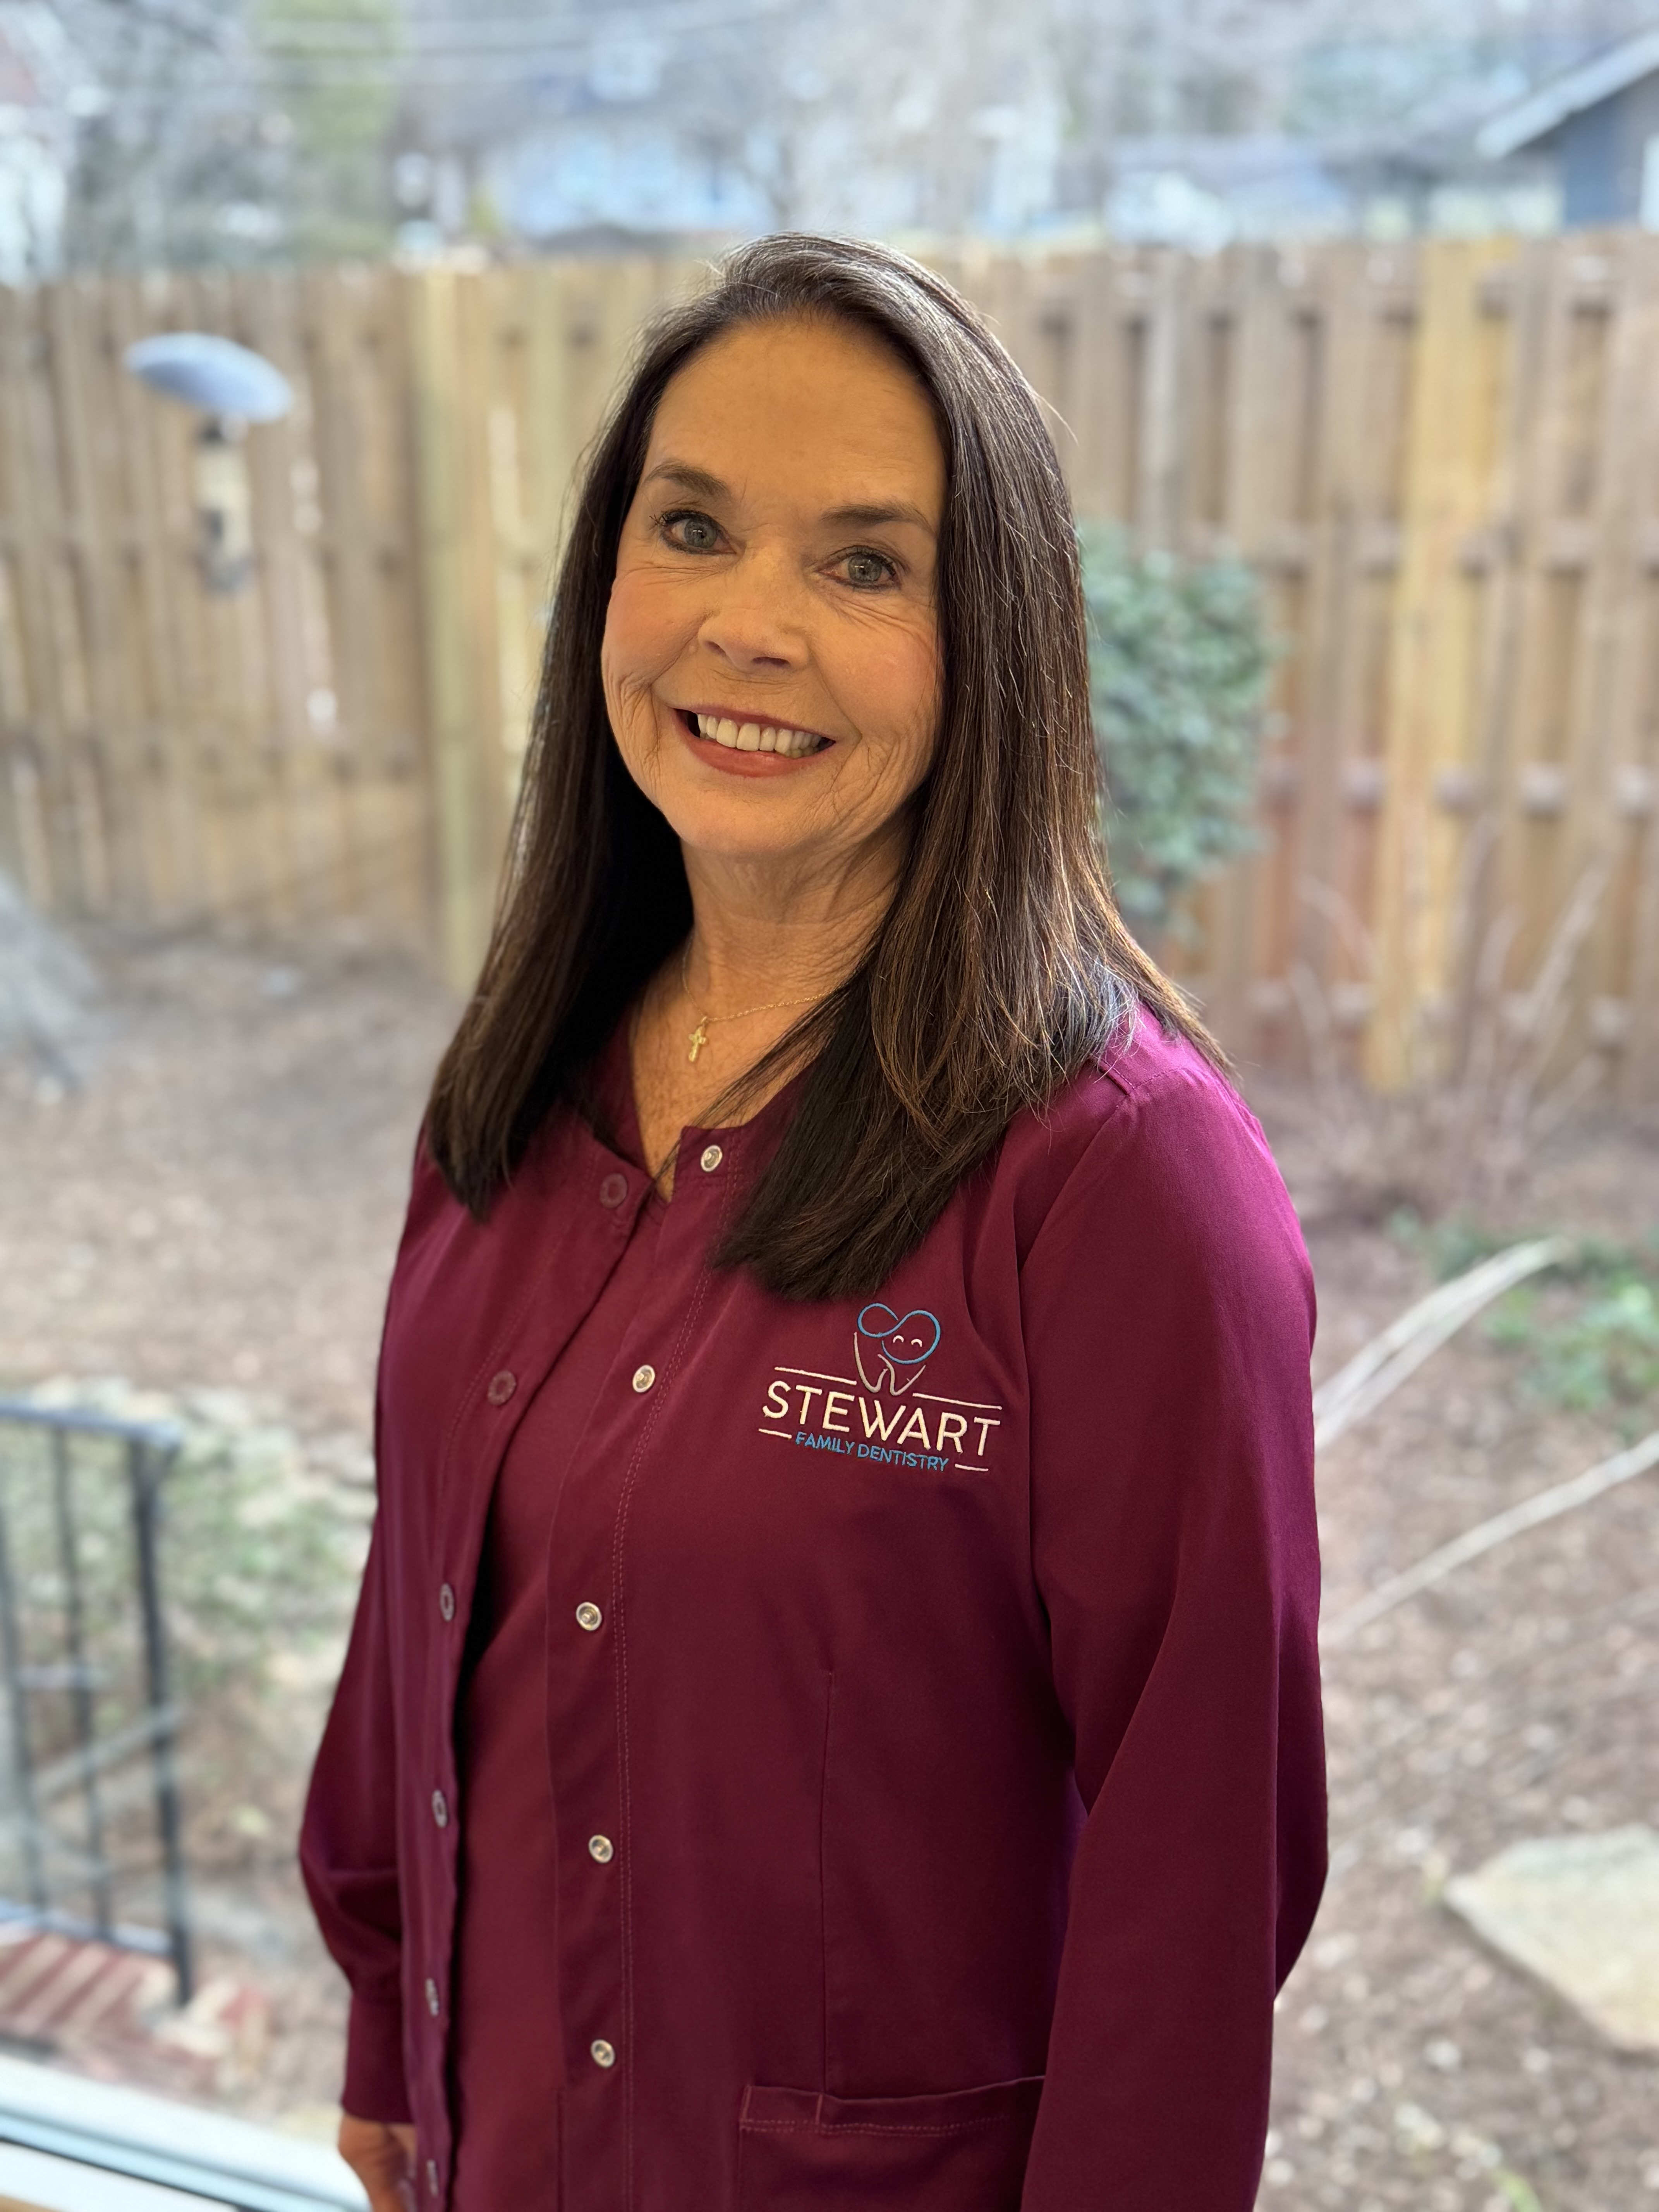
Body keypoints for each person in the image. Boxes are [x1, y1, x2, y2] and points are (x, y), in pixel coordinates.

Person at [301, 233, 1325, 2212]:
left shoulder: (1120, 1185)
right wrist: (384, 2028)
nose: (744, 625)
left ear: (991, 642)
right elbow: (418, 1578)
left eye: (866, 563)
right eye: (693, 526)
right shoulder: (516, 1090)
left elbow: (1205, 1868)